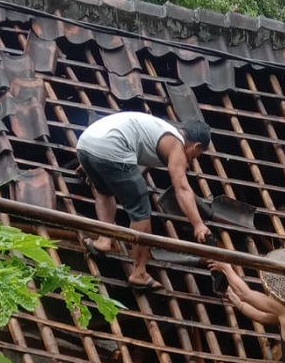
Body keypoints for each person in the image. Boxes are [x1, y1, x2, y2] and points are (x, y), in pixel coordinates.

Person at [76, 111, 212, 291]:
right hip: (112, 147)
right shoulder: (176, 145)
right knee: (141, 212)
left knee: (104, 191)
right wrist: (198, 225)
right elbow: (182, 188)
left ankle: (103, 241)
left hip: (85, 146)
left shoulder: (159, 130)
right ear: (196, 146)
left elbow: (140, 166)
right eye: (198, 154)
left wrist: (92, 163)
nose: (193, 160)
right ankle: (139, 272)